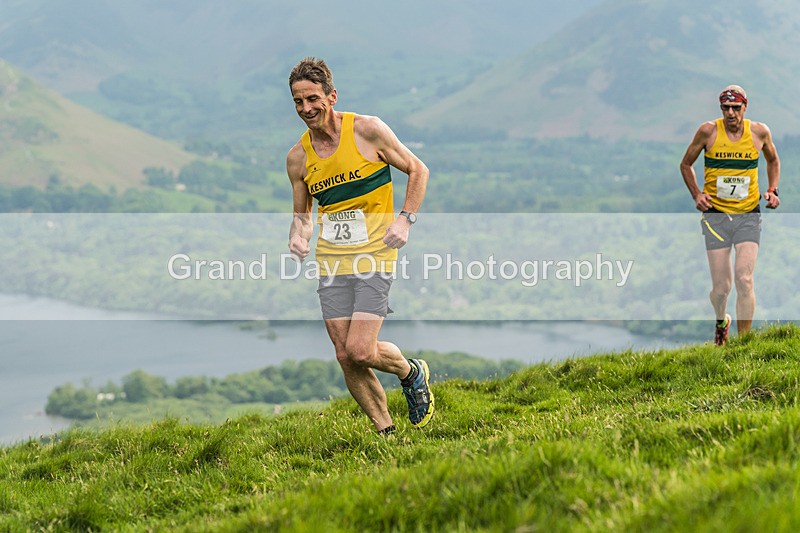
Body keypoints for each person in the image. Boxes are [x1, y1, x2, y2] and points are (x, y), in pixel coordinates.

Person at [285, 57, 433, 433]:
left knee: (362, 350)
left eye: (313, 98)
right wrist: (297, 237)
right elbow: (302, 217)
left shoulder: (367, 130)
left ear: (332, 96)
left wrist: (405, 219)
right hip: (332, 261)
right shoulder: (298, 158)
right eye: (298, 101)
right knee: (344, 355)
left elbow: (418, 169)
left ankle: (410, 372)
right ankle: (386, 434)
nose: (306, 108)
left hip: (375, 255)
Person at [680, 85, 781, 346]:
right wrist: (696, 195)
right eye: (726, 108)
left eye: (736, 108)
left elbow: (773, 160)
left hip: (748, 214)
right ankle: (721, 322)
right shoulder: (708, 131)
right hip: (716, 215)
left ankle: (743, 345)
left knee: (744, 279)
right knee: (721, 289)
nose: (731, 113)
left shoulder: (759, 132)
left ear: (745, 107)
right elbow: (686, 164)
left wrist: (773, 190)